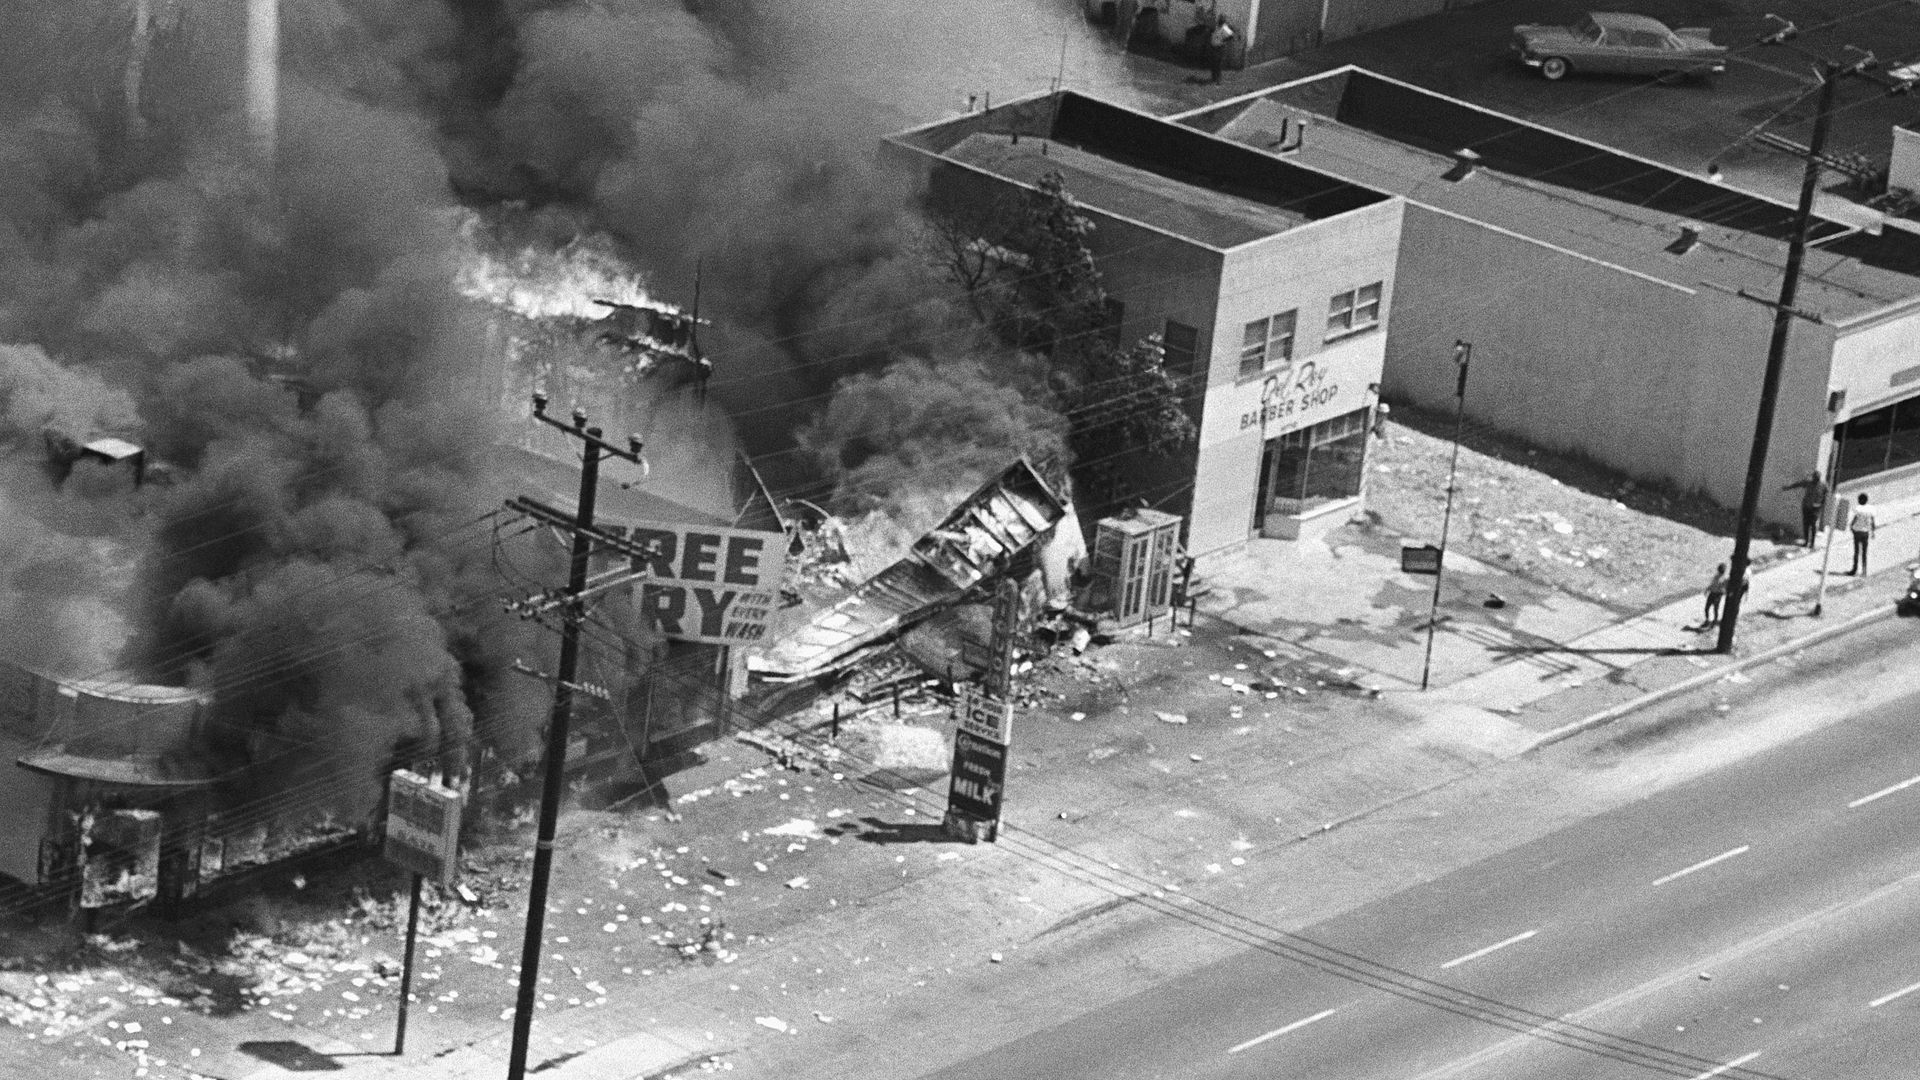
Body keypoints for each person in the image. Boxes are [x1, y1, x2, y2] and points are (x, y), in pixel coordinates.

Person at [1783, 469, 1829, 548]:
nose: (1815, 479)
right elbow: (1798, 484)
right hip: (1806, 506)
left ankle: (1812, 543)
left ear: (1819, 478)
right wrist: (1788, 487)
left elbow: (1826, 494)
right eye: (1814, 477)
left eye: (1816, 478)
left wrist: (1822, 504)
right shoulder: (1808, 483)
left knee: (1813, 525)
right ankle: (1806, 541)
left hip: (1816, 508)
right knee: (1806, 524)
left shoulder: (1823, 485)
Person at [1848, 492, 1877, 575]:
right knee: (1864, 552)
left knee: (1856, 551)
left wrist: (1851, 526)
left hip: (1857, 531)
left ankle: (1855, 569)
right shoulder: (1871, 509)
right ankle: (1864, 570)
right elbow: (1872, 522)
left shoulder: (1858, 509)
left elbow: (1854, 519)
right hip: (1865, 532)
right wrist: (1873, 532)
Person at [1208, 14, 1234, 84]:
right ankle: (1213, 78)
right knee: (1213, 63)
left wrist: (1224, 40)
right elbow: (1211, 32)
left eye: (1222, 19)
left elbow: (1231, 36)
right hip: (1213, 46)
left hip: (1219, 48)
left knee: (1218, 64)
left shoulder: (1224, 28)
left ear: (1223, 21)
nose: (1220, 20)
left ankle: (1218, 80)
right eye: (1220, 19)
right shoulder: (1216, 27)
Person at [1703, 562, 1728, 627]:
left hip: (1717, 594)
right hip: (1713, 593)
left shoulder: (1725, 579)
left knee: (1715, 609)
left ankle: (1714, 621)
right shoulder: (1716, 576)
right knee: (1707, 608)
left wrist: (1722, 591)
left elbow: (1725, 588)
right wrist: (1707, 589)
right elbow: (1712, 584)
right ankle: (1708, 620)